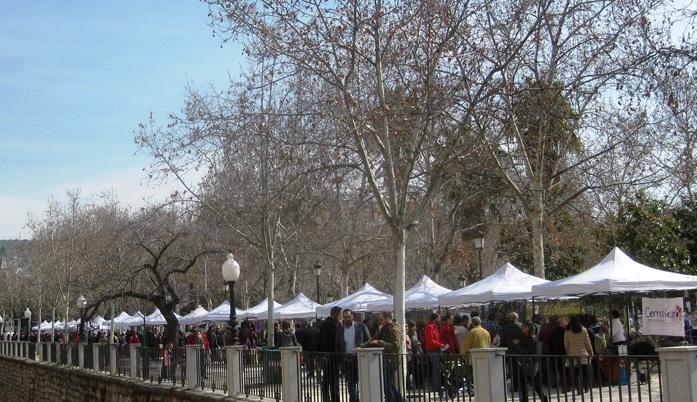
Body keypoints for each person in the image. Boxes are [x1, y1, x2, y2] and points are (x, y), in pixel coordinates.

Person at [363, 311, 405, 402]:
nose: (380, 321)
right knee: (390, 384)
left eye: (381, 319)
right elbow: (374, 338)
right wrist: (362, 346)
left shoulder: (394, 329)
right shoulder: (384, 328)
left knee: (387, 384)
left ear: (387, 318)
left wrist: (379, 343)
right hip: (386, 360)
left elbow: (395, 346)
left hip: (391, 360)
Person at [335, 309, 371, 402]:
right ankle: (354, 399)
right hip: (347, 360)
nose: (347, 319)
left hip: (359, 358)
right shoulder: (339, 331)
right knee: (350, 383)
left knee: (361, 382)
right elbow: (338, 346)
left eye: (349, 316)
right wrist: (341, 360)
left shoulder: (361, 326)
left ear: (352, 316)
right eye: (345, 317)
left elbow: (369, 341)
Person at [518, 321, 548, 402]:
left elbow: (528, 351)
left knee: (534, 382)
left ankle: (543, 398)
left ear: (528, 327)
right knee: (527, 382)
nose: (522, 328)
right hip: (527, 363)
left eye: (524, 326)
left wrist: (519, 346)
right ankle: (526, 399)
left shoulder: (532, 338)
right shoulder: (527, 337)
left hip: (530, 363)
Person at [565, 316, 594, 395]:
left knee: (574, 373)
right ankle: (586, 387)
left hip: (572, 355)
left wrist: (568, 353)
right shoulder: (584, 330)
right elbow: (588, 343)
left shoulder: (567, 331)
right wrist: (591, 353)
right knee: (584, 372)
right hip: (583, 355)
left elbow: (566, 344)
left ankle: (578, 389)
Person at [318, 306, 342, 402]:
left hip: (325, 354)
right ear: (336, 314)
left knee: (327, 378)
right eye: (340, 314)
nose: (341, 316)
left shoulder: (324, 323)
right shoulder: (333, 324)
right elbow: (335, 340)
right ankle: (334, 398)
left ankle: (326, 397)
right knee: (333, 379)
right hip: (332, 355)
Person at [424, 313, 448, 393]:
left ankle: (436, 386)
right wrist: (441, 345)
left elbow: (434, 339)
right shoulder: (429, 327)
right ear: (435, 318)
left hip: (435, 349)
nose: (440, 320)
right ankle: (435, 387)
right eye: (439, 318)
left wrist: (441, 345)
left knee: (437, 369)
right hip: (432, 350)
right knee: (436, 369)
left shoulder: (433, 327)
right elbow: (430, 340)